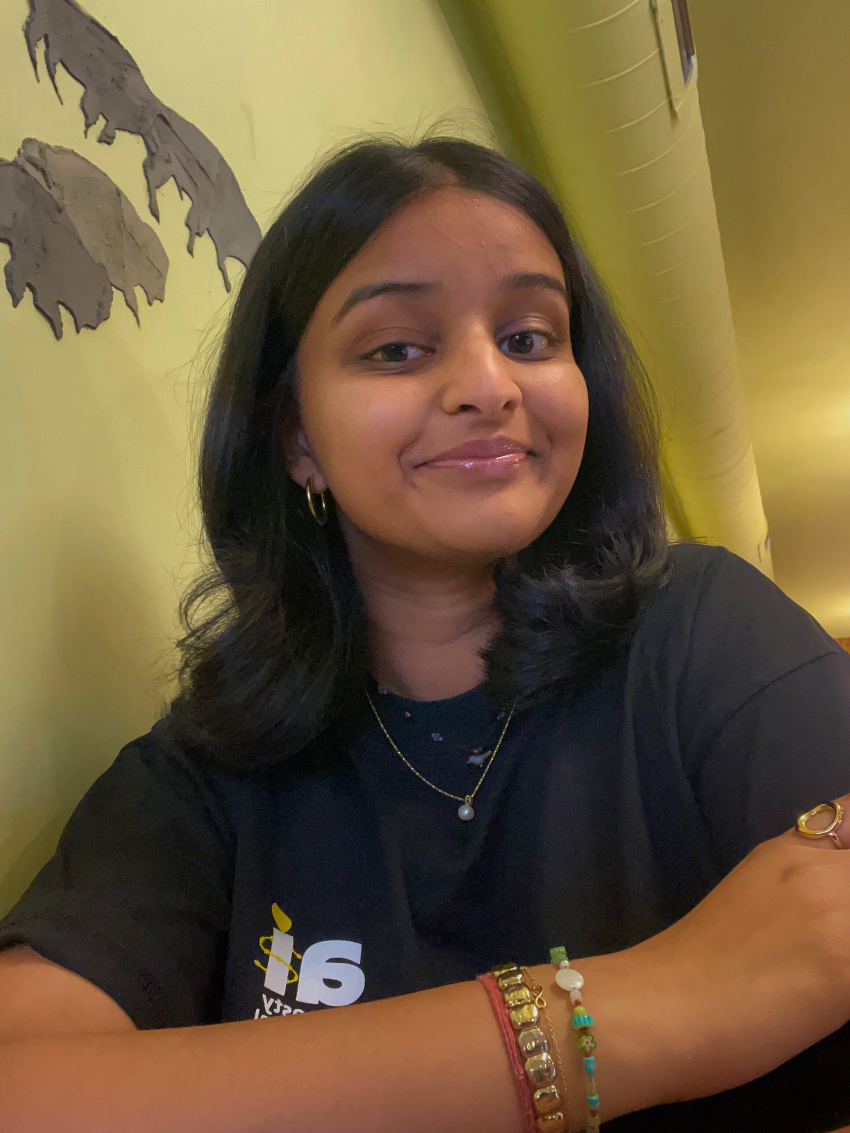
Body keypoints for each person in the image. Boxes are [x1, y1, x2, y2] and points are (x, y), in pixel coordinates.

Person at [1, 135, 849, 1133]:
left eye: (531, 336)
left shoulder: (698, 625)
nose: (488, 384)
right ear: (297, 439)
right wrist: (648, 1003)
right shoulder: (205, 772)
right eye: (396, 348)